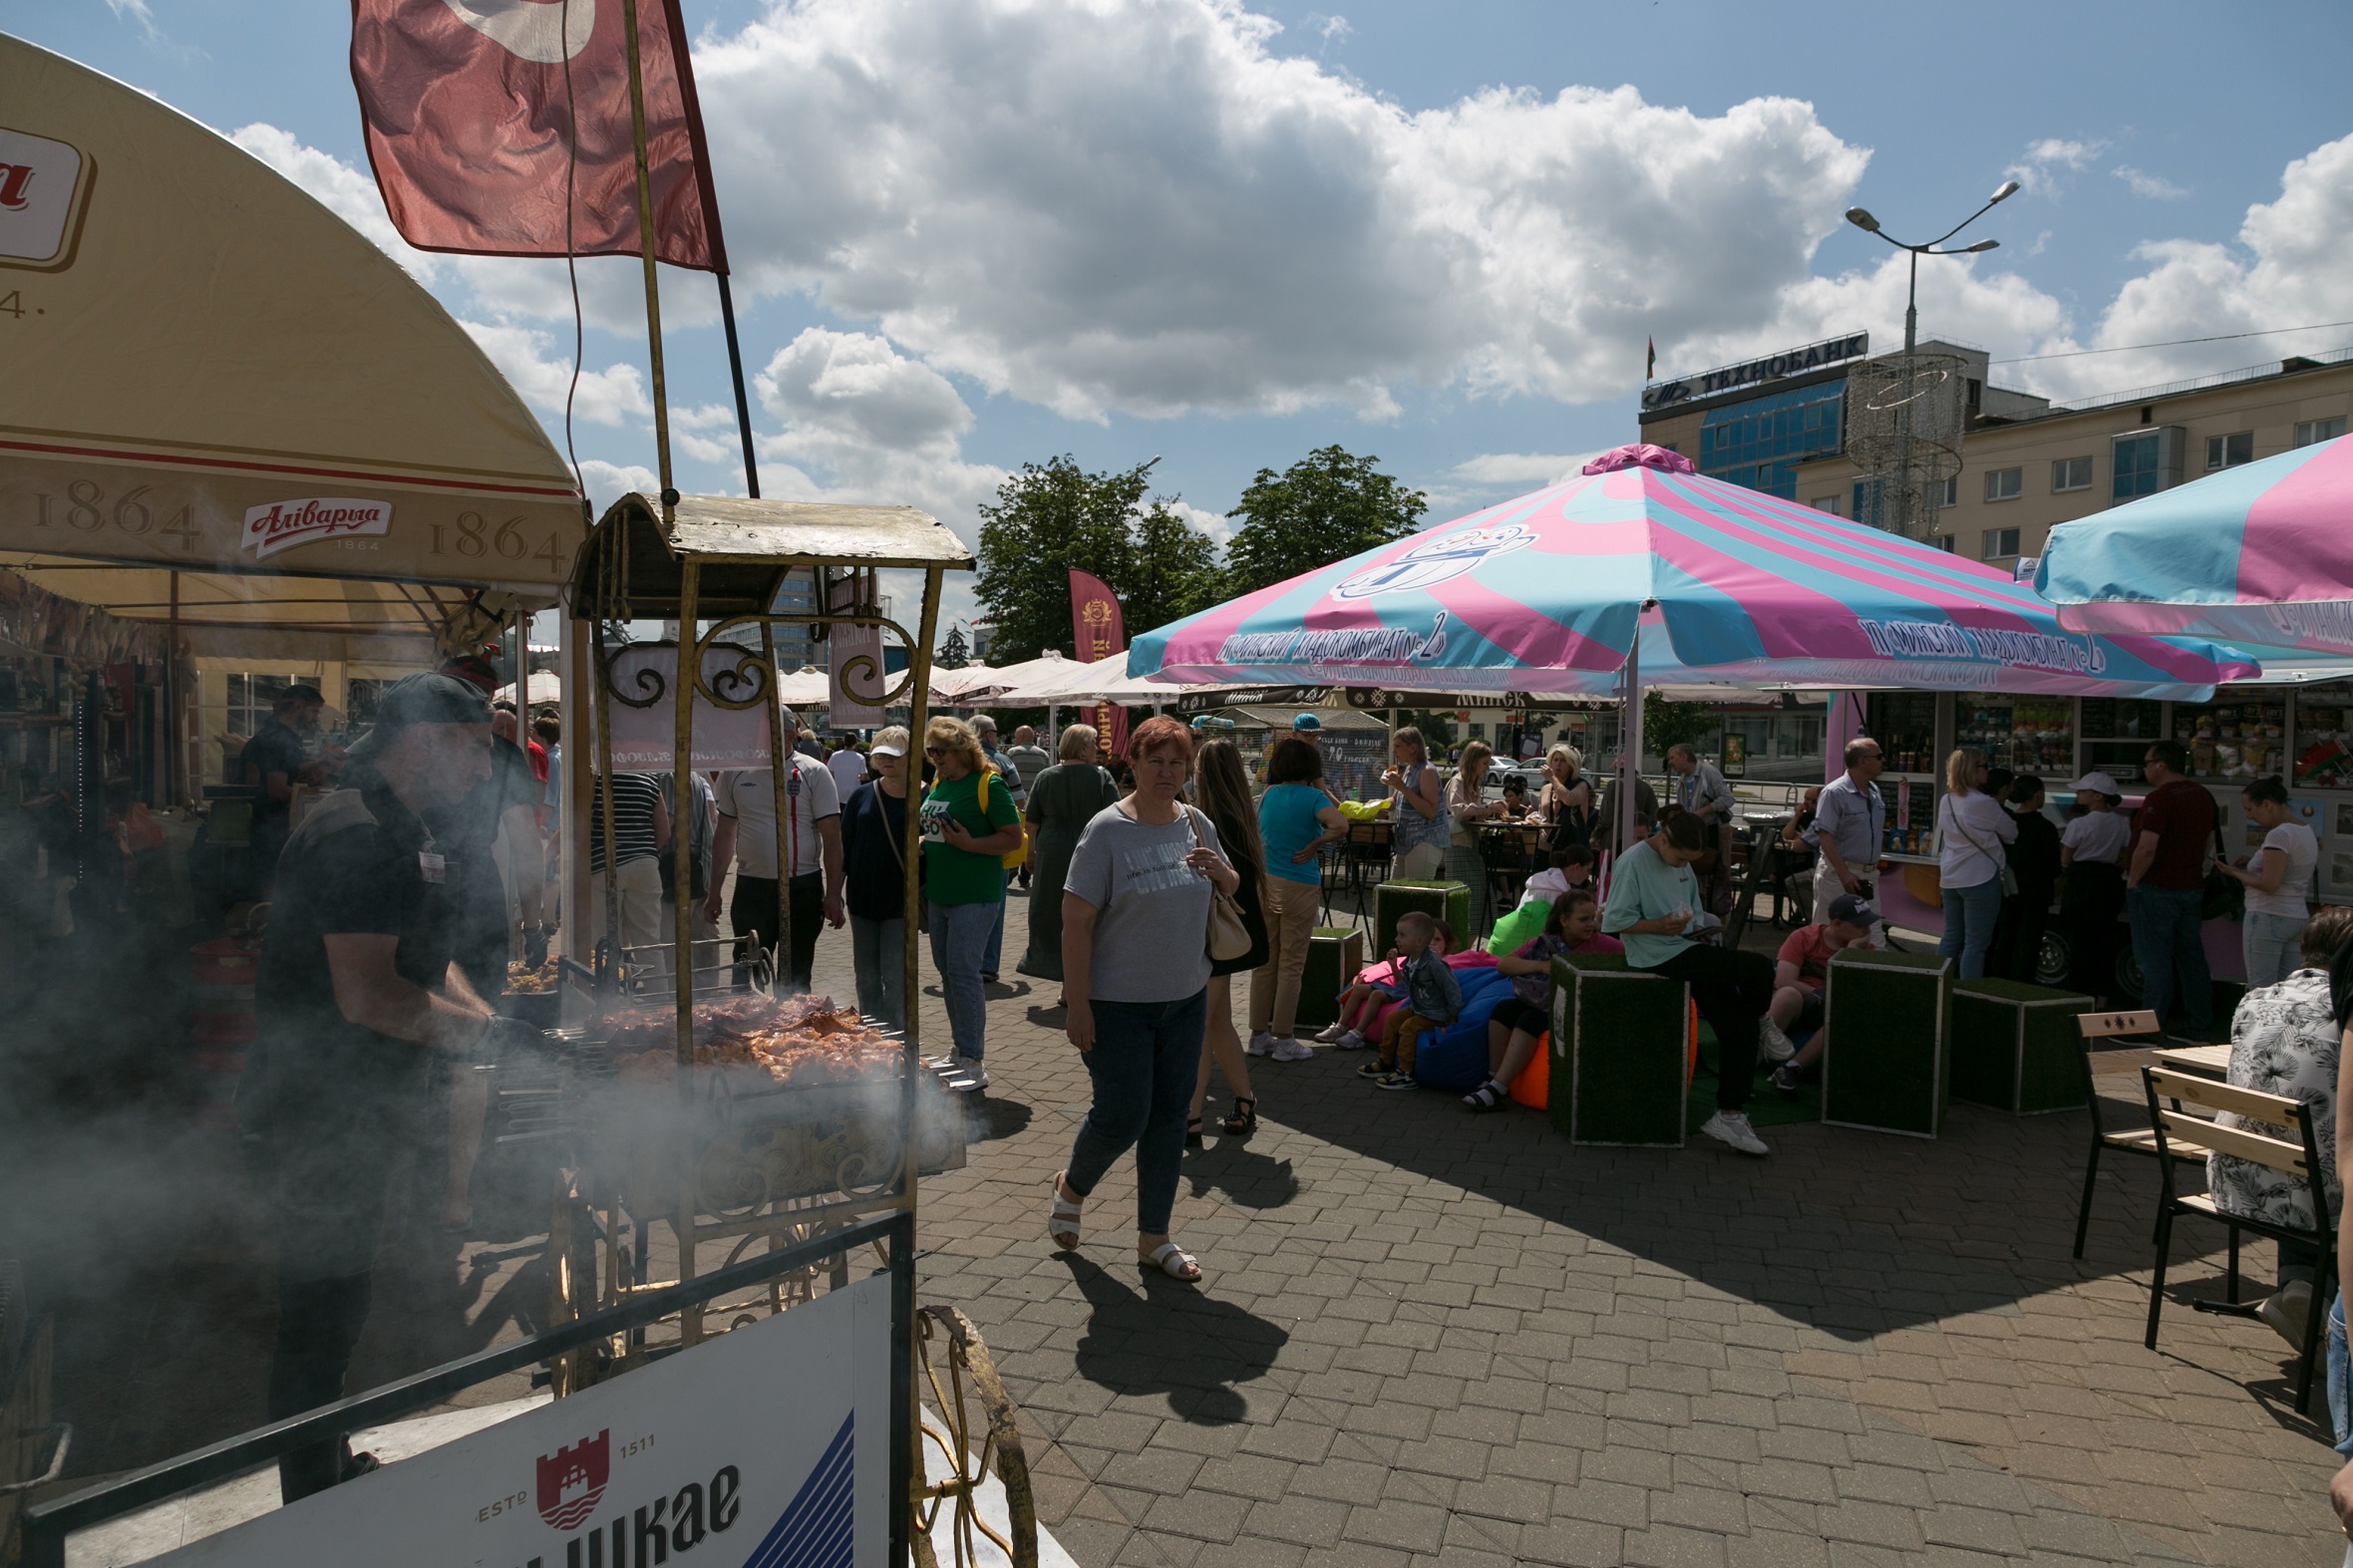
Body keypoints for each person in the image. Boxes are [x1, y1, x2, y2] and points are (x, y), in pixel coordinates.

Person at [247, 674, 534, 1502]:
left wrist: (491, 1025)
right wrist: (486, 1036)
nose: (487, 771)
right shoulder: (359, 833)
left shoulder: (402, 825)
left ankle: (325, 1467)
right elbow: (369, 993)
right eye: (476, 749)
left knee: (342, 1297)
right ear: (424, 740)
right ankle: (310, 1496)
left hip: (358, 1106)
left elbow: (424, 956)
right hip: (319, 1110)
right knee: (319, 1311)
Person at [1051, 717, 1240, 1282]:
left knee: (1170, 1118)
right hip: (1116, 1005)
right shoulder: (1106, 831)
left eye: (1177, 763)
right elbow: (1075, 923)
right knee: (1122, 1113)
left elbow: (1232, 885)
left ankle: (1153, 1237)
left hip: (1184, 1000)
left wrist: (1222, 873)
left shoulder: (1195, 821)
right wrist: (1078, 1004)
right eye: (1155, 761)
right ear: (1131, 764)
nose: (1167, 773)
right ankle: (1072, 1185)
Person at [430, 658, 547, 1230]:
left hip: (417, 879)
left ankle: (423, 1173)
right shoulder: (504, 754)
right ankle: (457, 1191)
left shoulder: (415, 748)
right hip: (469, 894)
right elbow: (526, 845)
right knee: (473, 1043)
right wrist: (535, 925)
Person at [2208, 906, 2352, 1351]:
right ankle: (2320, 1297)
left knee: (2297, 1148)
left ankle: (2301, 1285)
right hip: (2311, 1197)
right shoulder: (2344, 1010)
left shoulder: (2254, 998)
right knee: (2329, 1164)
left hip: (2234, 1181)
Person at [1603, 808, 1775, 1156]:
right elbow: (1614, 921)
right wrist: (1659, 925)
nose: (1683, 866)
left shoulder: (1680, 859)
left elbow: (1693, 910)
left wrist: (1698, 929)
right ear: (1663, 839)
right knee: (1758, 968)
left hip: (1684, 947)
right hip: (1655, 954)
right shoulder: (1632, 861)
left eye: (1690, 861)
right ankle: (1765, 1019)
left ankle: (1731, 1114)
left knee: (1738, 1026)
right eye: (1681, 858)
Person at [707, 706, 844, 993]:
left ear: (793, 733)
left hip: (802, 887)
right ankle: (746, 1036)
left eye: (776, 735)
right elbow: (724, 833)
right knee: (746, 976)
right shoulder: (736, 772)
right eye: (761, 736)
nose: (767, 742)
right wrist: (714, 890)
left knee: (795, 978)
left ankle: (791, 1037)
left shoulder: (813, 772)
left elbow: (832, 837)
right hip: (752, 888)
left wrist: (833, 894)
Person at [921, 715, 1024, 1085]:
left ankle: (972, 1059)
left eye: (941, 750)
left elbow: (1012, 838)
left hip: (976, 895)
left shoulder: (988, 784)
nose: (935, 757)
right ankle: (960, 1049)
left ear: (962, 749)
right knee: (949, 975)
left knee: (964, 975)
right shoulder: (939, 783)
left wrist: (970, 845)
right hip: (940, 893)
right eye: (931, 751)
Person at [1463, 889, 1620, 1111]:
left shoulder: (1606, 945)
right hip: (1546, 1001)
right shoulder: (1545, 941)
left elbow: (1626, 964)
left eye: (1592, 918)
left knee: (1530, 1019)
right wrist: (1540, 966)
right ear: (1564, 920)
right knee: (1503, 1010)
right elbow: (1503, 964)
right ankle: (1493, 1076)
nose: (1590, 924)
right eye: (1583, 919)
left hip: (1578, 1007)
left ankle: (1498, 1087)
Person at [1186, 739, 1272, 1142]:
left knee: (1202, 1025)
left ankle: (1191, 1114)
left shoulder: (1205, 819)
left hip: (1213, 933)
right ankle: (1245, 1100)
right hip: (1235, 930)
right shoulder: (1241, 813)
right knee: (1218, 1021)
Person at [1250, 735, 1344, 1060]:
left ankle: (1258, 1036)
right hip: (1300, 885)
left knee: (1265, 963)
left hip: (1266, 883)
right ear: (1310, 767)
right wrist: (1315, 845)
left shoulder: (1268, 795)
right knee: (1291, 966)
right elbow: (1341, 825)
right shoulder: (1314, 798)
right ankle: (1285, 1039)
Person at [1016, 724, 1123, 1000]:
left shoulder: (1046, 776)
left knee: (1050, 913)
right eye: (1093, 743)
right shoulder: (1101, 777)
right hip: (1090, 849)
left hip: (1051, 852)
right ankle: (1079, 984)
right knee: (1090, 913)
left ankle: (1061, 974)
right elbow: (1116, 816)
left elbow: (1032, 822)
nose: (1096, 748)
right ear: (1084, 747)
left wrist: (1030, 854)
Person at [2127, 739, 2219, 1043]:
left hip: (2158, 888)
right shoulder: (2202, 795)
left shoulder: (2160, 798)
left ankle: (2149, 1029)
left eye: (2146, 763)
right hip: (2191, 887)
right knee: (2191, 959)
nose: (2145, 768)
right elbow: (2209, 842)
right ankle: (2199, 1028)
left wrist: (2133, 880)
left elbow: (2146, 847)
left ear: (2161, 765)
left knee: (2155, 961)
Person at [1762, 893, 1878, 1094]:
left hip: (1831, 1009)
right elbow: (1783, 980)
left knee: (1843, 1009)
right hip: (1800, 1002)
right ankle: (1746, 1065)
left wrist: (1850, 953)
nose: (1867, 930)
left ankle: (1790, 1069)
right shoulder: (1804, 937)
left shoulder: (1865, 951)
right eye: (1860, 925)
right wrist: (1820, 993)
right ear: (1837, 923)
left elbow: (1858, 993)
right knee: (1788, 994)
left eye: (1868, 923)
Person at [839, 727, 912, 1030]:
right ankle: (871, 1037)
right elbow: (844, 847)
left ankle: (897, 1039)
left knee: (895, 977)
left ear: (910, 757)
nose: (886, 760)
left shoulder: (925, 794)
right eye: (880, 754)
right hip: (862, 899)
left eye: (894, 755)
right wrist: (833, 893)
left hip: (901, 902)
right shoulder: (861, 795)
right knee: (866, 975)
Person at [2219, 775, 2317, 989]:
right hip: (2297, 917)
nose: (2249, 815)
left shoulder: (2279, 835)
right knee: (2287, 991)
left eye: (2250, 809)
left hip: (2268, 916)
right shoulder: (2305, 830)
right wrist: (2251, 863)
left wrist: (2233, 872)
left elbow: (2270, 884)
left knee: (2260, 990)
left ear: (2267, 804)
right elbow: (2288, 868)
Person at [1352, 911, 1460, 1091]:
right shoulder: (1410, 962)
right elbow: (1405, 984)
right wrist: (1394, 967)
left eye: (1402, 935)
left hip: (1435, 1013)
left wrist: (1453, 1015)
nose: (1396, 939)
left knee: (1408, 1028)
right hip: (1419, 1008)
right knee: (1393, 1019)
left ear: (1419, 941)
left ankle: (1405, 1072)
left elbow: (1452, 988)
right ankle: (1385, 1061)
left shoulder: (1434, 965)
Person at [1934, 747, 2014, 983]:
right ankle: (1970, 993)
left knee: (1951, 936)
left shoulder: (1946, 799)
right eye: (1983, 766)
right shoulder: (1983, 802)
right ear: (1972, 770)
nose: (1987, 771)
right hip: (1979, 876)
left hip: (1950, 875)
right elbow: (2011, 832)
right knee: (1976, 943)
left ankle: (1936, 985)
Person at [240, 684, 326, 884]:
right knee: (276, 885)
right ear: (297, 707)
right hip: (271, 827)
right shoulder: (278, 740)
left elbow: (286, 768)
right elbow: (277, 791)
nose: (316, 718)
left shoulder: (278, 734)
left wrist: (319, 762)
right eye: (314, 711)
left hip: (268, 824)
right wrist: (322, 800)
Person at [2059, 772, 2130, 1004]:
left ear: (2098, 796)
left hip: (2081, 883)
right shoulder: (2122, 822)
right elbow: (2124, 854)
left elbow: (2066, 857)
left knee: (2079, 941)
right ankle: (2103, 994)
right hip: (2109, 883)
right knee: (2105, 941)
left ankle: (2077, 993)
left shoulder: (2079, 823)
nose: (2078, 793)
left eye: (2083, 790)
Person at [587, 769, 669, 961]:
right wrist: (642, 855)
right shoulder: (648, 778)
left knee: (602, 941)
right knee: (649, 942)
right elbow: (664, 832)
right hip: (645, 866)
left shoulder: (595, 779)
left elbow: (580, 821)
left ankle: (608, 989)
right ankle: (658, 990)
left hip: (603, 865)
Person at [1805, 738, 1885, 924]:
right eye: (1879, 756)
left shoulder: (1874, 791)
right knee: (1828, 935)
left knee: (1872, 937)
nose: (1883, 760)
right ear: (1862, 761)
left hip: (1868, 877)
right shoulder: (1834, 792)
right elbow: (1824, 836)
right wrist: (1844, 874)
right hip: (1839, 876)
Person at [1990, 776, 2060, 984]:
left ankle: (1998, 981)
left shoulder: (2006, 823)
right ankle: (2022, 984)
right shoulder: (2045, 827)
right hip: (2036, 891)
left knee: (2005, 938)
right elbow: (2054, 866)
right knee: (2029, 941)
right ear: (2038, 795)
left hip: (2007, 889)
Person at [1445, 741, 1507, 934]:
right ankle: (1458, 948)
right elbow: (1458, 810)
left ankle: (1464, 947)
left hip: (1470, 845)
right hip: (1458, 847)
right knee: (1468, 902)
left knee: (1480, 900)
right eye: (1485, 763)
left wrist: (1489, 808)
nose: (1487, 768)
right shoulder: (1458, 780)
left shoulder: (1472, 783)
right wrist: (1488, 807)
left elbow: (1472, 813)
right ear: (1473, 762)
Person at [1382, 727, 1448, 879]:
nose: (1393, 751)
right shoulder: (1410, 770)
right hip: (1406, 843)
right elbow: (1394, 801)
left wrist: (1402, 787)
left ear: (1412, 748)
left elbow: (1431, 811)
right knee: (1394, 893)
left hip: (1423, 842)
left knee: (1416, 896)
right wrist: (1373, 805)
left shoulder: (1427, 771)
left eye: (1398, 746)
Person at [1006, 725, 1054, 884]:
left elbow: (1006, 777)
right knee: (1032, 838)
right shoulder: (1044, 754)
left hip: (1015, 801)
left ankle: (1013, 866)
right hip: (1036, 802)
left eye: (1015, 736)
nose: (1014, 739)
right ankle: (1025, 875)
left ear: (1021, 736)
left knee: (1016, 835)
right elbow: (1048, 777)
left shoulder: (1012, 753)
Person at [1533, 745, 1594, 854]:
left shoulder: (1580, 785)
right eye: (1555, 760)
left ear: (1571, 765)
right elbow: (1541, 816)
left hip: (1570, 848)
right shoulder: (1545, 789)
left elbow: (1570, 800)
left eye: (1563, 761)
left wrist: (1552, 778)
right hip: (1545, 846)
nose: (1558, 764)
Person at [1518, 843, 1596, 908]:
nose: (1588, 875)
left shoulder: (1547, 878)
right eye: (1588, 870)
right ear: (1577, 867)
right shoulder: (1558, 892)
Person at [827, 735, 868, 799]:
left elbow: (829, 774)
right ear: (856, 743)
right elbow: (863, 778)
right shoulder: (860, 758)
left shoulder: (834, 756)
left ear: (844, 742)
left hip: (837, 792)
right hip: (854, 793)